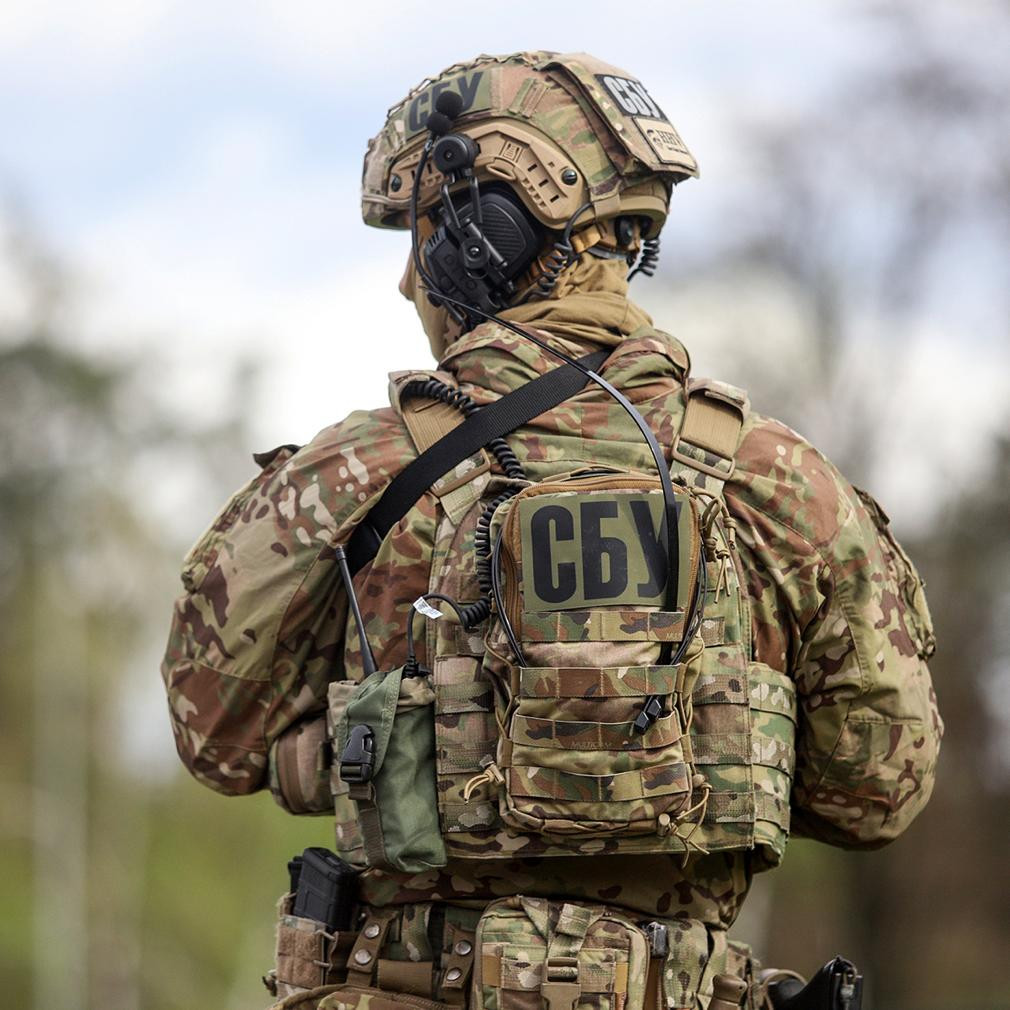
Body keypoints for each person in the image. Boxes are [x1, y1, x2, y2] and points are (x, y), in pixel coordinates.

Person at [161, 52, 942, 1010]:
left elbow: (214, 736)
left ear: (483, 236)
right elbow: (878, 793)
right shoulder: (784, 486)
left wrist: (371, 745)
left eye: (424, 234)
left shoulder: (356, 474)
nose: (408, 281)